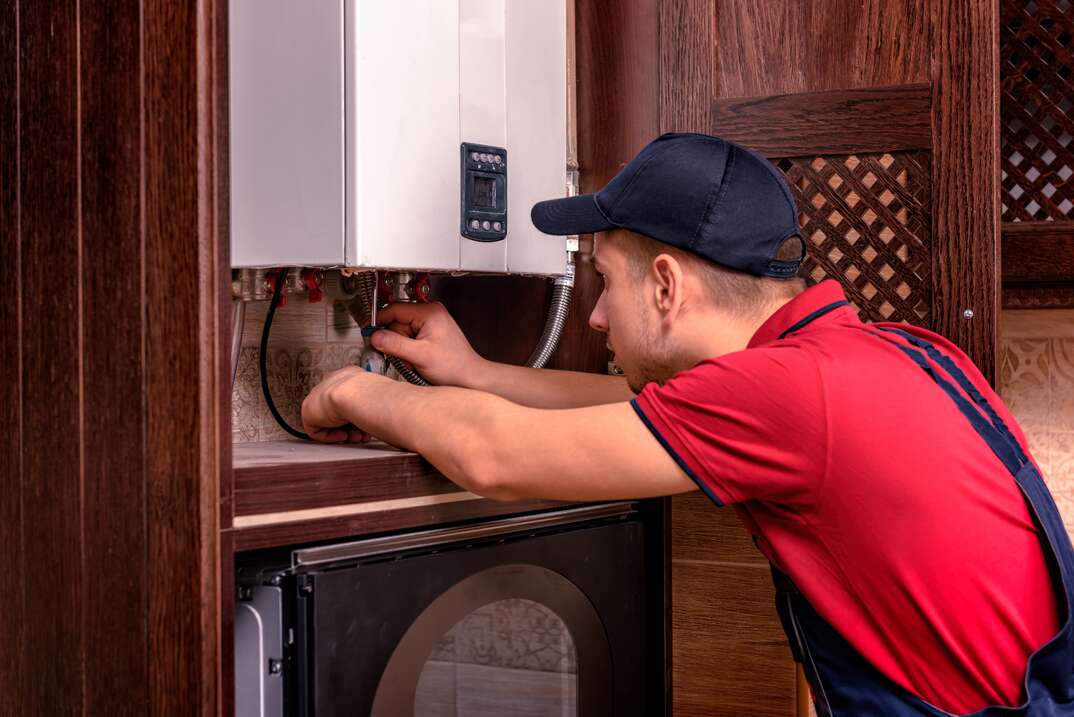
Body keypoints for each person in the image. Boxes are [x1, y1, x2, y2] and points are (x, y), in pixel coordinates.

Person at [301, 133, 1074, 716]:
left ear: (666, 285)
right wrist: (477, 373)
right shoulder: (887, 354)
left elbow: (493, 455)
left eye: (606, 282)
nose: (597, 315)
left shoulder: (787, 393)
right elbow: (644, 417)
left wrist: (347, 390)